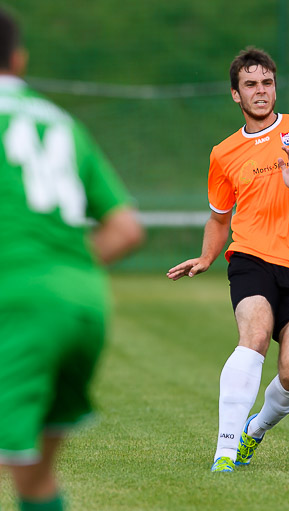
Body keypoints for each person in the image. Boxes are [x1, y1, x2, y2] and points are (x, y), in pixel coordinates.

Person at [167, 47, 289, 473]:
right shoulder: (224, 153)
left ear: (275, 87)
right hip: (251, 258)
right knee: (253, 336)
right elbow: (220, 217)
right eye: (250, 84)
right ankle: (225, 452)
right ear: (236, 94)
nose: (261, 91)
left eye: (267, 83)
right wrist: (207, 256)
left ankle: (255, 429)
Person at [0, 7, 145, 511]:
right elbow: (126, 230)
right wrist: (57, 269)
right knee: (34, 479)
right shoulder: (60, 121)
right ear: (19, 59)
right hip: (82, 302)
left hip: (15, 301)